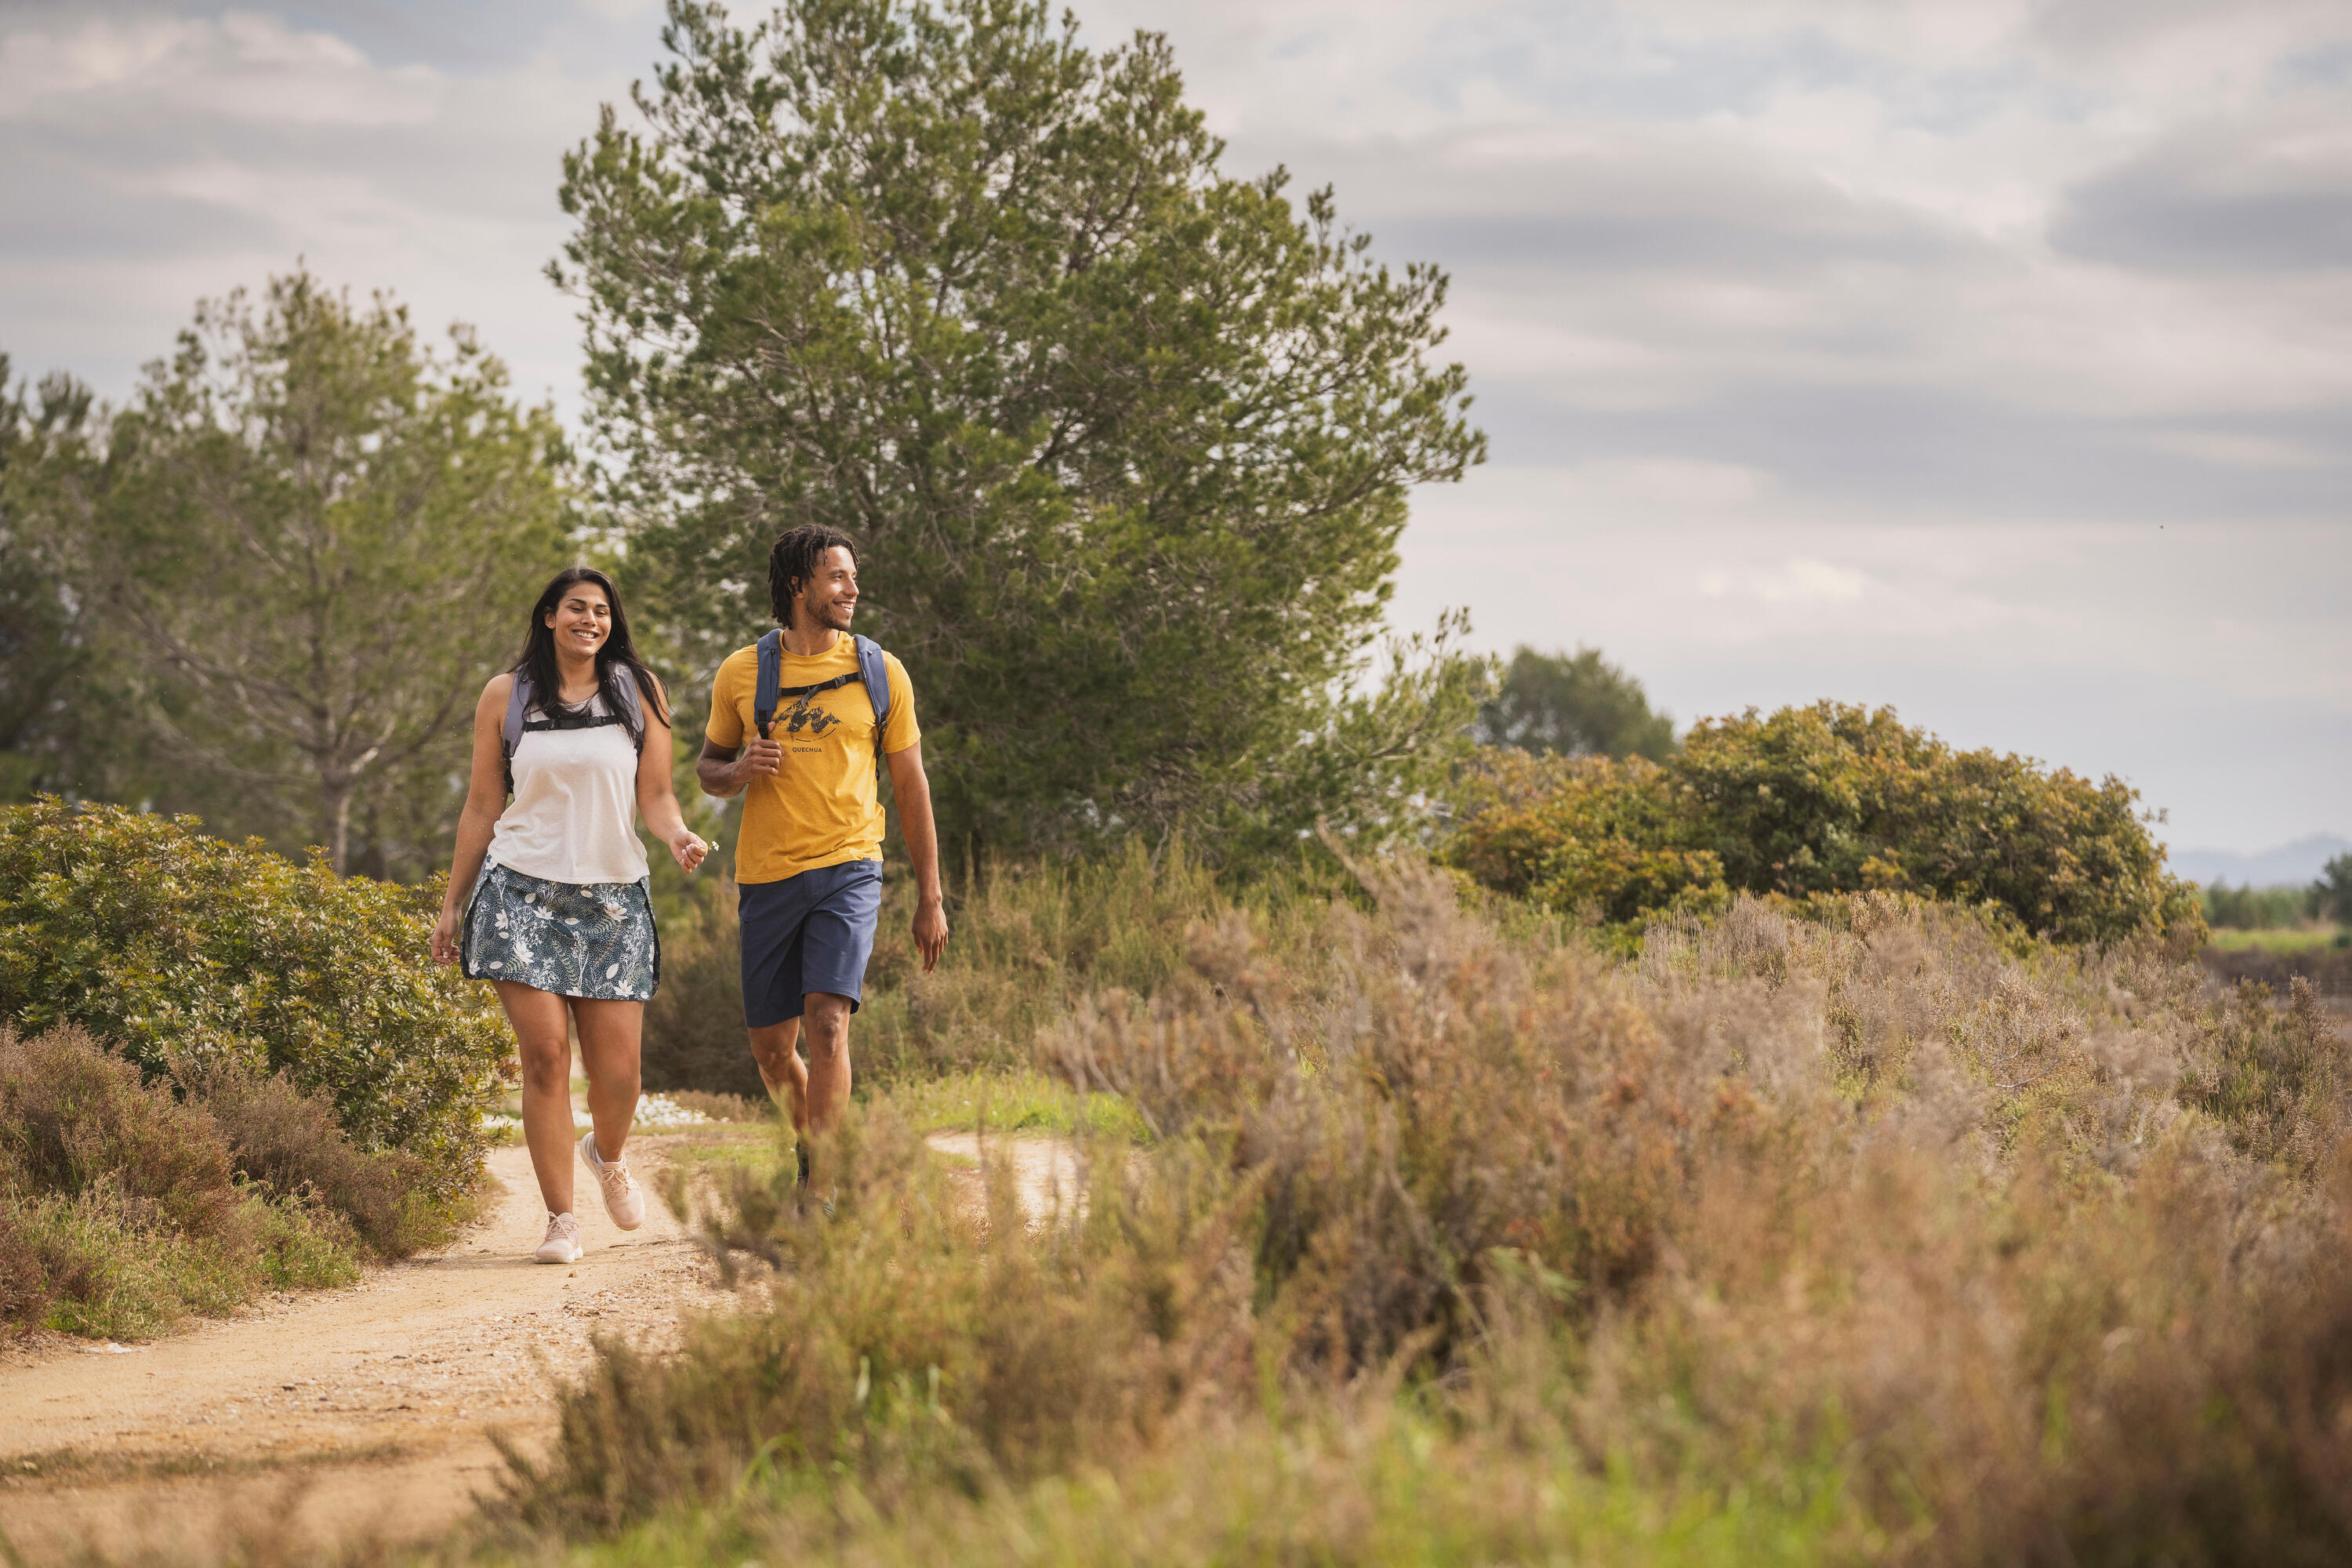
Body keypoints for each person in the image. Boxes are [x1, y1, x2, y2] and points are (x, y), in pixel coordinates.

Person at [430, 567, 708, 1265]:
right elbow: (482, 805)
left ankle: (607, 1156)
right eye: (578, 608)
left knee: (620, 1075)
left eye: (603, 612)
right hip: (519, 891)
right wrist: (451, 904)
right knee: (547, 1057)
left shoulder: (640, 692)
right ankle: (561, 1220)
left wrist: (676, 835)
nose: (592, 620)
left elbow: (658, 796)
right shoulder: (507, 694)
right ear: (550, 616)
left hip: (614, 898)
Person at [698, 525, 948, 1181]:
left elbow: (910, 783)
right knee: (773, 1052)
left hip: (851, 866)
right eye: (838, 577)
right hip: (767, 874)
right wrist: (741, 768)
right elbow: (708, 768)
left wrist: (931, 896)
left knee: (829, 1022)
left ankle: (825, 1185)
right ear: (798, 585)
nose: (852, 589)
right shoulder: (742, 671)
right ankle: (814, 1142)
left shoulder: (880, 671)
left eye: (852, 577)